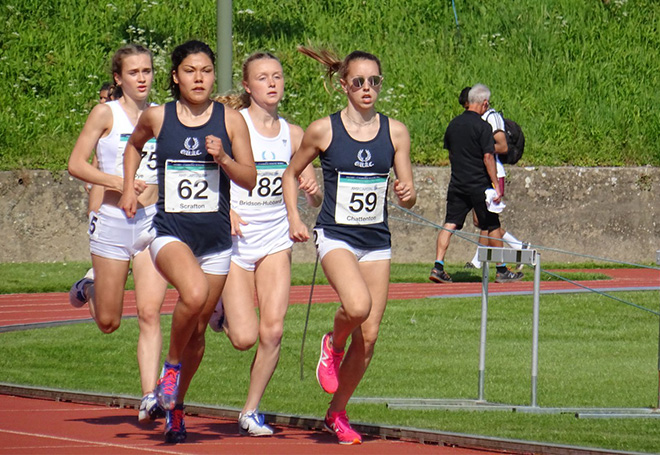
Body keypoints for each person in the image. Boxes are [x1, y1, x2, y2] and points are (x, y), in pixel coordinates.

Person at [119, 39, 256, 444]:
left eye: (206, 71)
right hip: (170, 233)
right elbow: (132, 147)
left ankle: (176, 408)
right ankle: (171, 368)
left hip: (215, 242)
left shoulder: (231, 121)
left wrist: (225, 159)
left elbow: (248, 178)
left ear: (214, 76)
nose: (199, 78)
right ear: (176, 77)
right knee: (193, 294)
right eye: (190, 71)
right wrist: (129, 188)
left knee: (198, 332)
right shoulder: (159, 118)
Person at [282, 46, 416, 445]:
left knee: (370, 335)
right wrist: (295, 218)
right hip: (336, 235)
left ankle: (337, 412)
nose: (367, 88)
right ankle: (332, 343)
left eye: (374, 81)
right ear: (344, 85)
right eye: (358, 81)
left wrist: (406, 193)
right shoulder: (324, 129)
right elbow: (292, 174)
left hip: (376, 240)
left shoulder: (396, 131)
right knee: (357, 307)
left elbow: (408, 195)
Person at [210, 52, 322, 436]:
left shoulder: (294, 134)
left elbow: (313, 196)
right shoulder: (233, 125)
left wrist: (310, 192)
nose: (272, 84)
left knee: (273, 331)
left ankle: (250, 410)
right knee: (244, 338)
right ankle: (220, 309)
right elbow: (210, 172)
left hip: (275, 238)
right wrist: (226, 212)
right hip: (237, 241)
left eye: (277, 76)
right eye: (262, 78)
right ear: (247, 86)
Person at [67, 44, 169, 424]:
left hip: (151, 224)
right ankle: (89, 288)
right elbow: (76, 163)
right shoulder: (104, 114)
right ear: (118, 78)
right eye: (133, 72)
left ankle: (149, 395)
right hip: (111, 220)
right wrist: (121, 181)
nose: (141, 78)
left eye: (147, 71)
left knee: (149, 312)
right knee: (109, 322)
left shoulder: (161, 116)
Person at [429, 83, 523, 284]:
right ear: (484, 103)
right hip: (479, 184)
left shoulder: (453, 124)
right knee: (492, 224)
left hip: (457, 183)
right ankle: (502, 270)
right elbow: (489, 157)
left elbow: (451, 153)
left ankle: (438, 266)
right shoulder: (483, 126)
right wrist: (495, 185)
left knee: (450, 223)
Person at [459, 86, 528, 271]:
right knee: (480, 221)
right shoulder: (476, 119)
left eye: (468, 106)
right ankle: (518, 247)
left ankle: (478, 261)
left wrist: (477, 147)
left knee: (486, 220)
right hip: (480, 174)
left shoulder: (492, 117)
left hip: (493, 173)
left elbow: (503, 147)